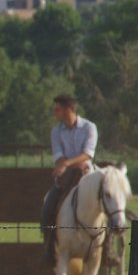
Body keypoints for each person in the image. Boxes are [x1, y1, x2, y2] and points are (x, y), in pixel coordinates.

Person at [41, 94, 98, 263]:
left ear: (68, 109)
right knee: (48, 206)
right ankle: (50, 248)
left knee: (105, 204)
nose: (54, 113)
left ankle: (107, 248)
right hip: (66, 177)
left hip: (86, 176)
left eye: (57, 110)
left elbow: (88, 153)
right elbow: (58, 156)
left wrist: (67, 163)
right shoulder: (56, 131)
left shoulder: (89, 127)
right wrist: (69, 164)